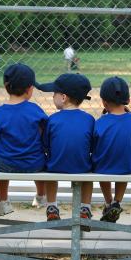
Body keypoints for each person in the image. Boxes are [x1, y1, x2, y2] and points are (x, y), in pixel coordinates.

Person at [36, 73, 94, 229]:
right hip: (82, 168)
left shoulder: (52, 120)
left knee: (50, 171)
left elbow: (46, 145)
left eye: (54, 93)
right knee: (89, 177)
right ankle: (85, 208)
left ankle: (52, 207)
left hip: (56, 167)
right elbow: (92, 146)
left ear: (63, 97)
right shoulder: (89, 119)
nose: (52, 96)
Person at [0, 63, 48, 216]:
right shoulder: (35, 110)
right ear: (30, 89)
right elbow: (45, 133)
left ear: (5, 86)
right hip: (35, 163)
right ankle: (41, 196)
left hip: (6, 165)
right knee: (42, 157)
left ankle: (3, 201)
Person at [91, 77, 131, 223]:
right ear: (127, 99)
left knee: (102, 164)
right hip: (125, 167)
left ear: (104, 102)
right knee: (124, 164)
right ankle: (117, 202)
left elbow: (92, 148)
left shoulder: (100, 122)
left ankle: (108, 202)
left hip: (102, 168)